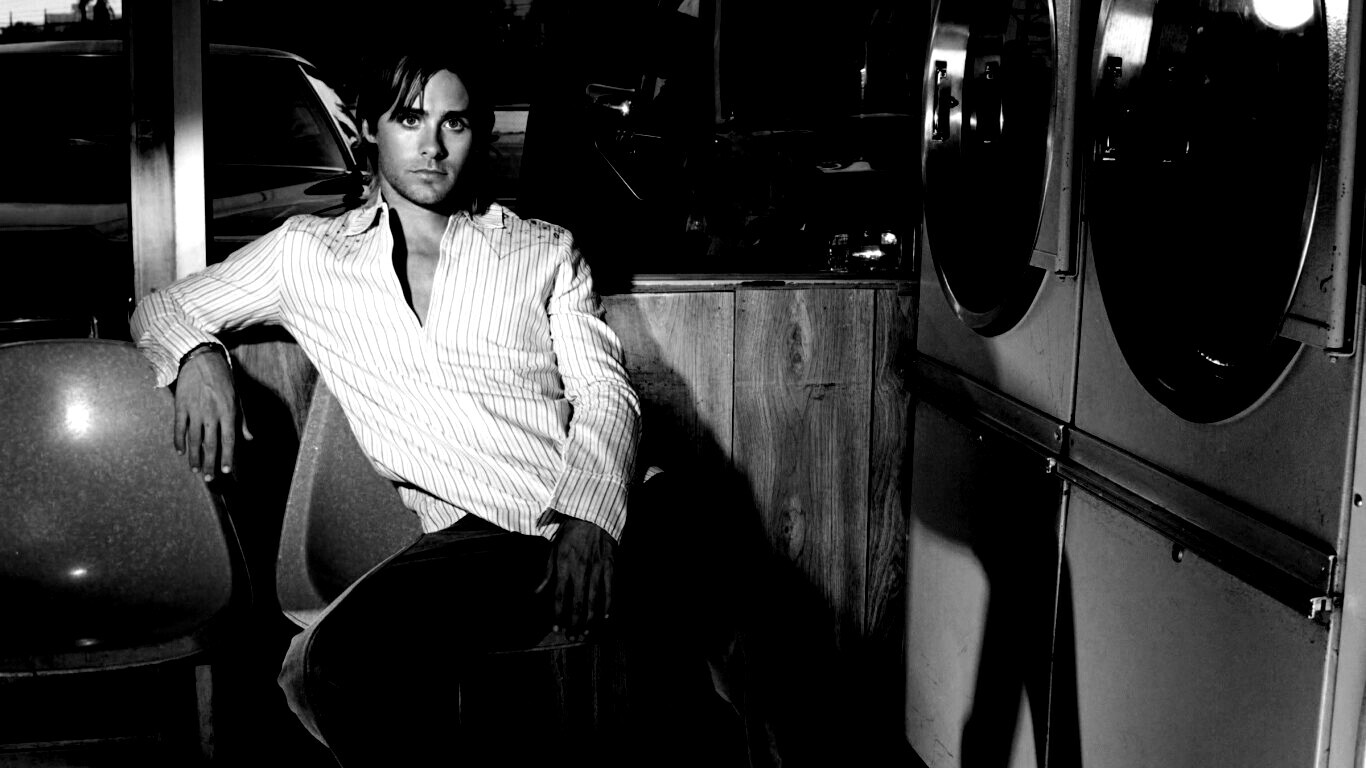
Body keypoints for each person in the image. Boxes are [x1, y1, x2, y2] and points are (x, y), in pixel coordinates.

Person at [130, 46, 641, 765]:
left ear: (478, 132)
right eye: (409, 119)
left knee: (739, 639)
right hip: (477, 537)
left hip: (608, 506)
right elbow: (164, 306)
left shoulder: (542, 250)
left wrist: (591, 518)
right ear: (369, 127)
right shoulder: (307, 255)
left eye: (454, 123)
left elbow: (605, 391)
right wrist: (198, 357)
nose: (432, 146)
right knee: (322, 669)